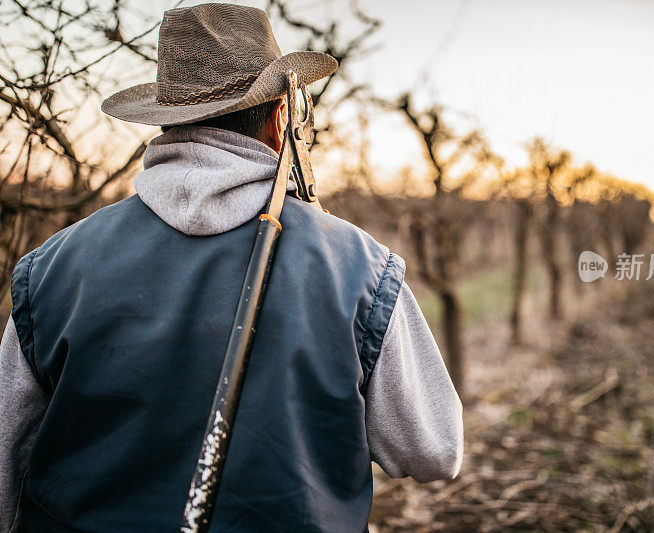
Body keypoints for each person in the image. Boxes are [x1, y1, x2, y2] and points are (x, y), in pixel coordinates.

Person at [0, 4, 462, 531]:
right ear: (283, 115)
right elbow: (434, 451)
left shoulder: (53, 269)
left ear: (168, 120)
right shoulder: (360, 268)